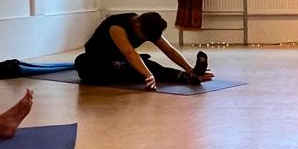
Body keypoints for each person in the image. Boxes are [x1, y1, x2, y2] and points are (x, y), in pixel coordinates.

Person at [75, 11, 211, 89]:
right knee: (82, 62)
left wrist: (189, 69)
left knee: (151, 66)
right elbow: (129, 53)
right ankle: (127, 71)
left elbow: (170, 51)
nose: (145, 38)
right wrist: (148, 75)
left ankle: (187, 76)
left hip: (121, 61)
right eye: (144, 36)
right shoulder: (117, 26)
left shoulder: (149, 28)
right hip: (98, 61)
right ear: (138, 25)